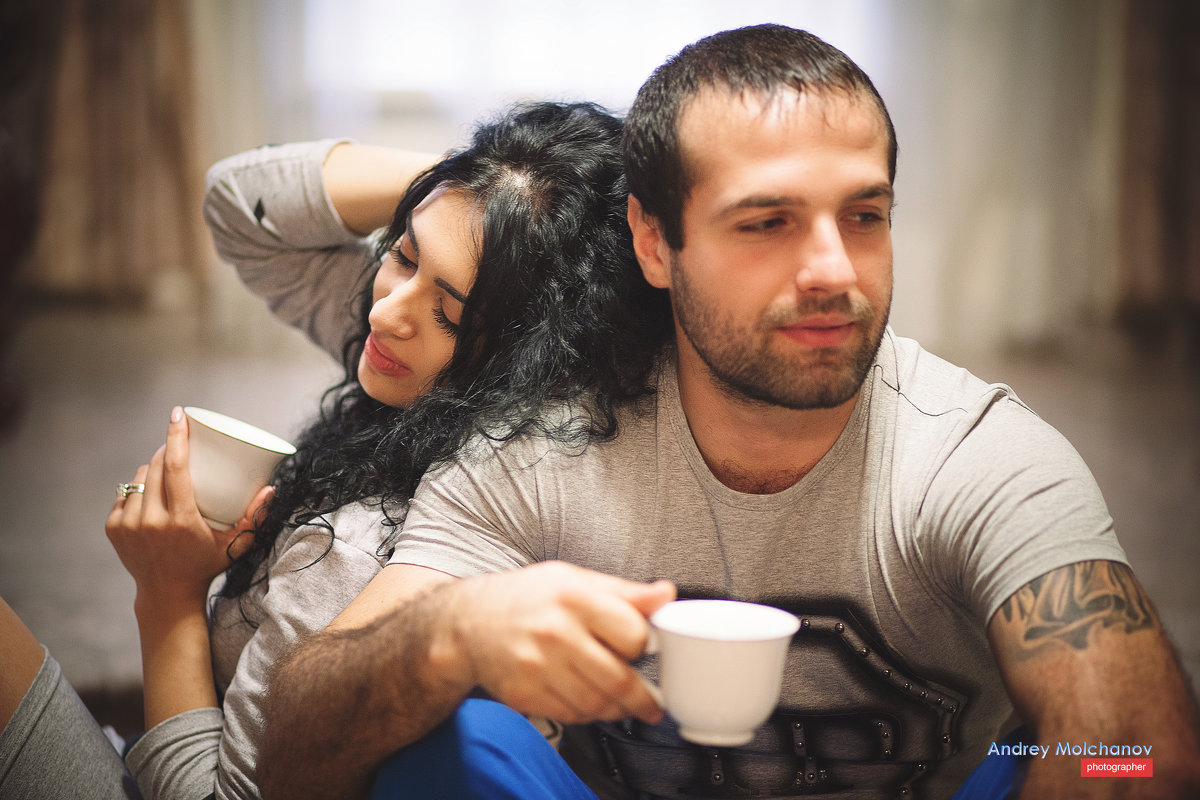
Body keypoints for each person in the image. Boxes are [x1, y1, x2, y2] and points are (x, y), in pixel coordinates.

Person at [259, 24, 1200, 800]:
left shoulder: (978, 454)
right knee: (447, 736)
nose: (835, 269)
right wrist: (452, 633)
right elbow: (294, 751)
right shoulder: (539, 451)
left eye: (864, 216)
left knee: (1054, 749)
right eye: (767, 223)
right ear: (654, 242)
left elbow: (1140, 753)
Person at [0, 101, 666, 799]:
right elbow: (241, 205)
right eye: (402, 254)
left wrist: (165, 601)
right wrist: (496, 183)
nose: (383, 311)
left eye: (448, 311)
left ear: (529, 360)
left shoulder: (364, 550)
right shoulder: (441, 364)